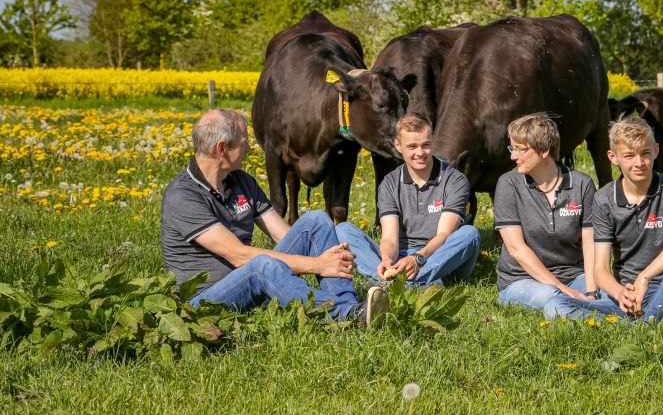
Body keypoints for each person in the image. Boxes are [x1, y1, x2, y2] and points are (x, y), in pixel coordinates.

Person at [160, 108, 389, 327]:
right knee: (261, 265)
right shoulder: (183, 195)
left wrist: (325, 258)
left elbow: (287, 235)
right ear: (221, 149)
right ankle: (345, 315)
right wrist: (318, 265)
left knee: (316, 221)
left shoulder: (242, 181)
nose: (249, 149)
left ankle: (352, 307)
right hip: (206, 301)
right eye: (243, 143)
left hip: (249, 281)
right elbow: (239, 256)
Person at [545, 117, 663, 321]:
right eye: (629, 155)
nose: (639, 163)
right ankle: (651, 322)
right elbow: (600, 269)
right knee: (555, 306)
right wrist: (620, 293)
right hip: (626, 296)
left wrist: (645, 277)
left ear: (655, 150)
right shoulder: (603, 200)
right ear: (613, 157)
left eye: (645, 153)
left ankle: (648, 321)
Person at [337, 113, 480, 285]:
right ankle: (393, 279)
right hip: (400, 256)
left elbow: (444, 234)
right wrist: (387, 259)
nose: (420, 153)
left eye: (425, 145)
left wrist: (417, 259)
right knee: (344, 229)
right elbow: (390, 238)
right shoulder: (389, 183)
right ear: (398, 145)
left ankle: (394, 284)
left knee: (469, 234)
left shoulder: (455, 180)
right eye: (412, 146)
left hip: (438, 258)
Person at [493, 113, 599, 310]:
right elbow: (516, 247)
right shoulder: (508, 184)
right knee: (553, 298)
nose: (513, 156)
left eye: (520, 150)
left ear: (544, 151)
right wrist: (560, 288)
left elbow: (590, 242)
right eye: (512, 148)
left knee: (609, 291)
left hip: (573, 275)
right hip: (523, 280)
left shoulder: (582, 184)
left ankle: (596, 313)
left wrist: (592, 291)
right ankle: (583, 314)